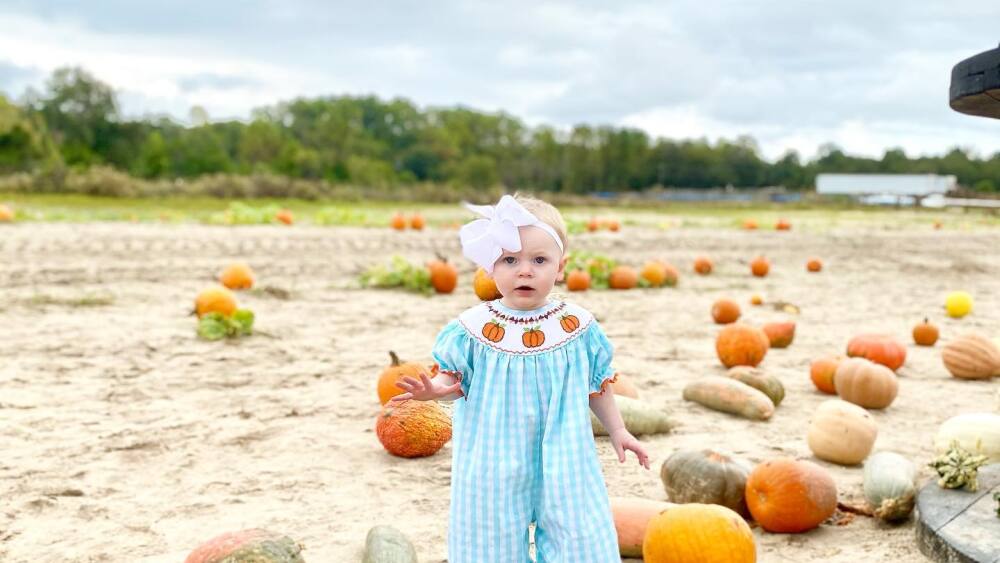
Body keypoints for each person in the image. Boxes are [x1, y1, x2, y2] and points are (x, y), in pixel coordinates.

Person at [391, 194, 650, 563]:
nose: (524, 270)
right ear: (490, 267)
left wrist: (619, 430)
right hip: (491, 458)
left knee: (579, 533)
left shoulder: (577, 326)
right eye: (510, 260)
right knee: (487, 537)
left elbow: (598, 384)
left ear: (561, 267)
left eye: (539, 260)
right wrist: (432, 391)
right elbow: (453, 383)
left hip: (567, 453)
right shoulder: (471, 329)